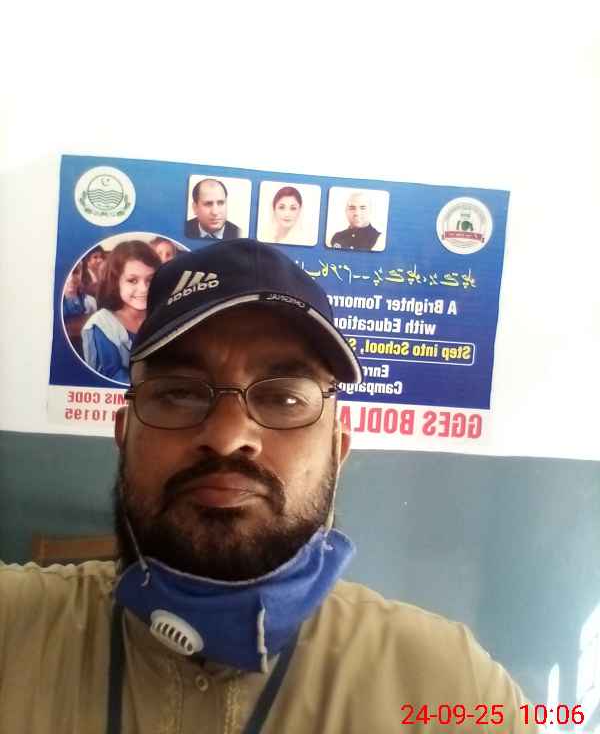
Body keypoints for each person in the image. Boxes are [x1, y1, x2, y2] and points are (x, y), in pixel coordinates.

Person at [0, 240, 538, 733]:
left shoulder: (455, 691)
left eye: (283, 398)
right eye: (179, 393)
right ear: (124, 434)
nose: (228, 437)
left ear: (337, 447)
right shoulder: (12, 631)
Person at [81, 240, 161, 384]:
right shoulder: (102, 325)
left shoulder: (163, 315)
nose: (144, 289)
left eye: (150, 280)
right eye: (132, 280)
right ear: (116, 282)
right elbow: (110, 376)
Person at [62, 260, 97, 355]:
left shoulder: (90, 302)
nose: (70, 278)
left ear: (81, 273)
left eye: (76, 272)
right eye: (65, 272)